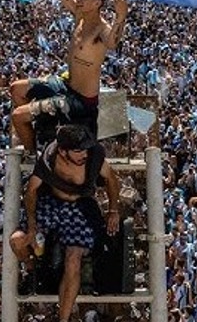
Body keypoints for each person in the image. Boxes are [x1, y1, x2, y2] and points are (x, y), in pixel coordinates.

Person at [10, 0, 128, 155]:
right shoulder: (79, 16)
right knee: (16, 88)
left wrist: (121, 15)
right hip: (65, 84)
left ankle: (31, 154)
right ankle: (40, 133)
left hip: (80, 100)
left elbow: (113, 42)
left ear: (98, 2)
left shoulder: (102, 30)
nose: (79, 0)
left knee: (18, 116)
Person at [10, 124, 121, 322]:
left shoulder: (94, 156)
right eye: (78, 151)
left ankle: (64, 319)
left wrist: (113, 210)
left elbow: (112, 179)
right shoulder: (49, 158)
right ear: (63, 151)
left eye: (85, 149)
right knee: (17, 240)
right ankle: (30, 268)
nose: (83, 155)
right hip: (51, 203)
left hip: (81, 207)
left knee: (73, 257)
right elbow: (31, 191)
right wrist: (33, 225)